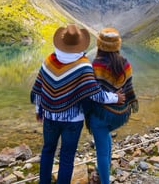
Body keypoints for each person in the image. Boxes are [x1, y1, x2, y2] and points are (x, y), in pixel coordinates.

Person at [30, 24, 125, 184]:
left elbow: (39, 89)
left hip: (50, 117)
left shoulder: (49, 61)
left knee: (47, 151)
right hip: (73, 120)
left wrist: (39, 109)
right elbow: (96, 94)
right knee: (67, 158)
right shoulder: (83, 65)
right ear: (79, 44)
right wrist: (115, 98)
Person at [85, 27, 139, 184]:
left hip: (101, 115)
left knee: (101, 151)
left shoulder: (95, 65)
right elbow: (128, 89)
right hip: (120, 114)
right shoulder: (125, 63)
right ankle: (105, 168)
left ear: (100, 45)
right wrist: (119, 99)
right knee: (106, 135)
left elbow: (93, 94)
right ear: (117, 45)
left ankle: (104, 180)